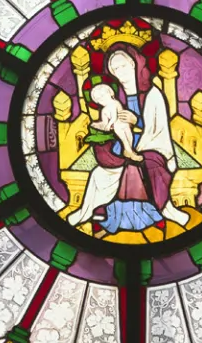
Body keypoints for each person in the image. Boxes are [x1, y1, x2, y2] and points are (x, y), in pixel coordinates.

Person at [67, 44, 190, 235]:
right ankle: (92, 212)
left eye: (123, 66)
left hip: (152, 148)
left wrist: (136, 122)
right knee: (99, 174)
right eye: (114, 69)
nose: (119, 72)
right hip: (121, 147)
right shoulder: (113, 97)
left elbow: (158, 130)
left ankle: (152, 215)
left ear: (134, 64)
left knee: (133, 167)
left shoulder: (153, 94)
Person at [87, 82, 142, 162]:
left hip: (125, 124)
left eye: (103, 95)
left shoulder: (114, 103)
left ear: (110, 93)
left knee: (130, 136)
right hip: (117, 127)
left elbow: (114, 117)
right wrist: (99, 125)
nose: (102, 99)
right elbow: (105, 122)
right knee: (124, 139)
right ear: (97, 102)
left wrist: (109, 125)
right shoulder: (104, 111)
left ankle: (129, 151)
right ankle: (131, 153)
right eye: (99, 99)